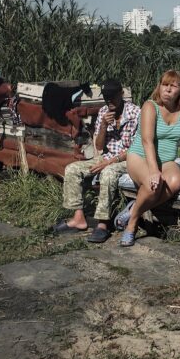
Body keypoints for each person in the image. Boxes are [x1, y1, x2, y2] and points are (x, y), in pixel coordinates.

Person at [52, 79, 140, 243]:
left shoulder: (136, 113)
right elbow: (99, 146)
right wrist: (103, 127)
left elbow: (136, 149)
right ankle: (78, 218)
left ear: (121, 94)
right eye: (106, 97)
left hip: (128, 159)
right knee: (72, 169)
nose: (109, 101)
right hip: (106, 156)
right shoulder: (103, 112)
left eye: (112, 97)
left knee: (108, 172)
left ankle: (103, 224)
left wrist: (108, 162)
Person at [118, 70, 180, 247]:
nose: (168, 90)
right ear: (159, 87)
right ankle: (132, 225)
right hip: (140, 155)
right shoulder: (150, 106)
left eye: (173, 86)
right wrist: (154, 171)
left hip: (167, 160)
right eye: (165, 85)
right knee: (154, 185)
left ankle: (134, 210)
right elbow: (147, 141)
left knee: (176, 182)